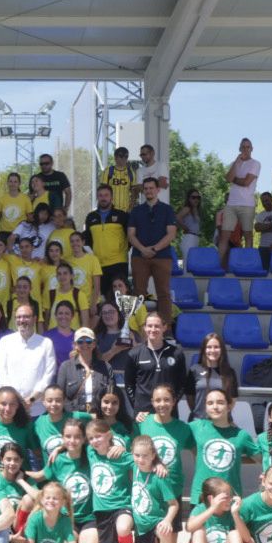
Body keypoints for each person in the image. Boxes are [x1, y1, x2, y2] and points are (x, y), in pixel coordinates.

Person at [126, 177, 177, 310]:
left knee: (164, 293)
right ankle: (138, 322)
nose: (148, 191)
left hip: (162, 256)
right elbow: (130, 235)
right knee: (138, 293)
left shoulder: (167, 209)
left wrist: (154, 249)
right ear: (143, 191)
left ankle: (165, 323)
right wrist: (143, 249)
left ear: (158, 190)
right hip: (139, 256)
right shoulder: (136, 211)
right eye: (146, 188)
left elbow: (171, 234)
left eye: (151, 188)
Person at [124, 311, 185, 415]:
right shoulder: (134, 354)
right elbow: (129, 384)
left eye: (157, 326)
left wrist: (172, 403)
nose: (153, 329)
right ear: (144, 328)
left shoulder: (176, 353)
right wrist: (137, 407)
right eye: (150, 326)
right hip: (143, 414)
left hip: (168, 412)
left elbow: (182, 383)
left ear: (164, 327)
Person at [216, 138, 259, 267]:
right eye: (243, 147)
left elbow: (246, 182)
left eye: (248, 147)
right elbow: (227, 178)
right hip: (231, 204)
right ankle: (218, 266)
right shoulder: (234, 163)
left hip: (247, 204)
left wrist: (234, 179)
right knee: (224, 236)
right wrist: (237, 161)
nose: (245, 149)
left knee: (248, 235)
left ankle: (248, 265)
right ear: (239, 149)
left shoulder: (255, 163)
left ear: (252, 149)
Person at [84, 184, 130, 291]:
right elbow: (88, 239)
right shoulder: (91, 217)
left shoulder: (122, 215)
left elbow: (130, 237)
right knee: (103, 296)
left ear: (111, 197)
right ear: (97, 197)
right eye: (100, 195)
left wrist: (120, 249)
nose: (103, 198)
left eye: (106, 195)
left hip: (118, 263)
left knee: (120, 296)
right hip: (99, 264)